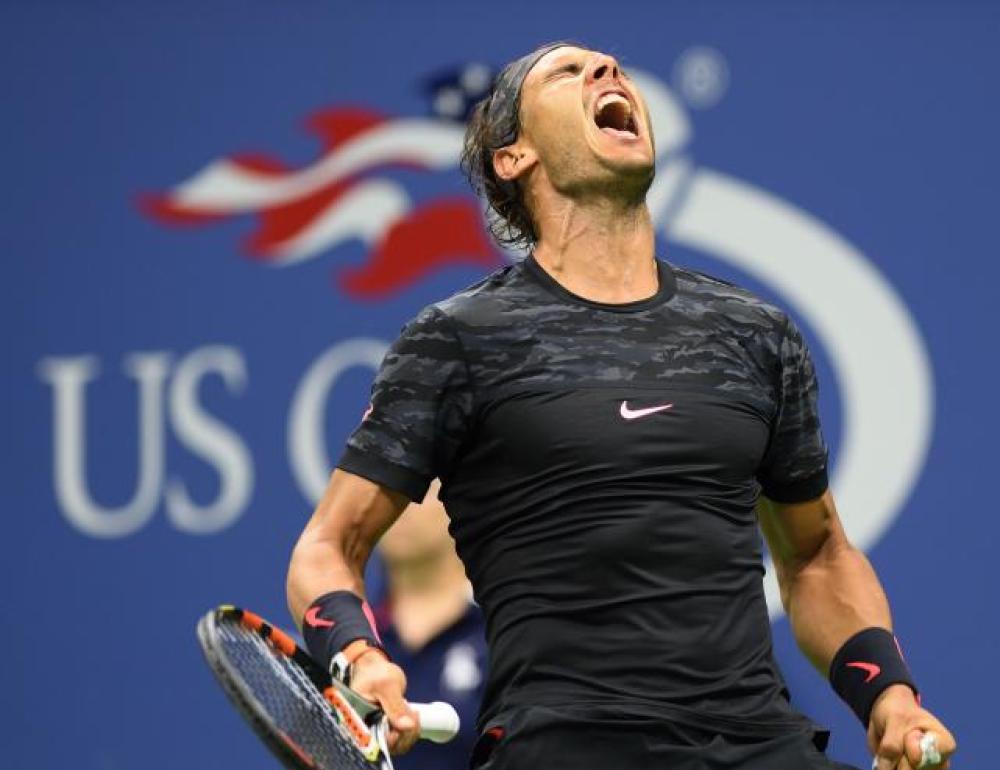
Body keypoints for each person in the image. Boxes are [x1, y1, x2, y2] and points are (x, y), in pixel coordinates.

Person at [287, 41, 957, 770]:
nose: (607, 74)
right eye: (567, 73)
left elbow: (818, 555)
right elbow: (329, 547)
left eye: (613, 68)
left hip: (761, 746)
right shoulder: (458, 340)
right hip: (566, 750)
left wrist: (890, 695)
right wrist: (358, 658)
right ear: (513, 158)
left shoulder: (755, 335)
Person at [368, 480, 486, 770]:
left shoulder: (509, 631)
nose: (400, 504)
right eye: (385, 488)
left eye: (421, 486)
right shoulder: (350, 643)